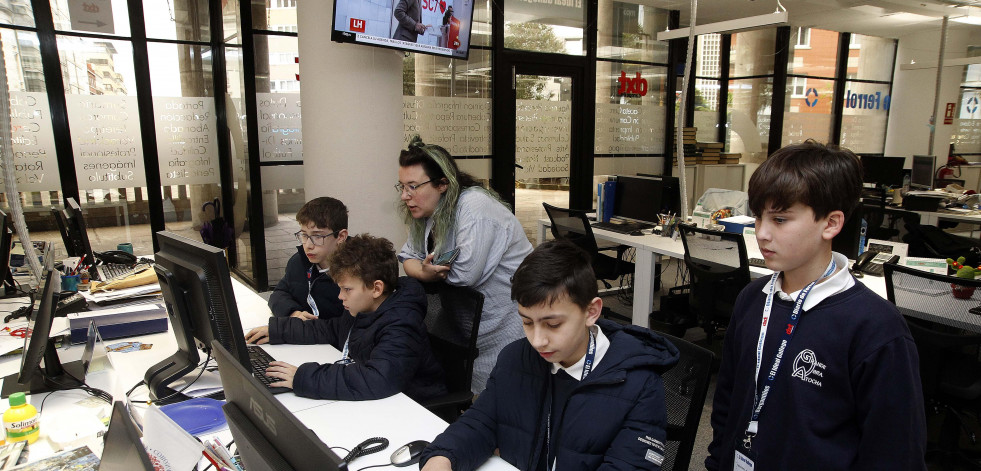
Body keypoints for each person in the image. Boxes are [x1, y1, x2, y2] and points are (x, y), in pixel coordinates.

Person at [705, 140, 927, 470]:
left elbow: (896, 452)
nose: (762, 233)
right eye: (758, 217)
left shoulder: (875, 327)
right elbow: (727, 403)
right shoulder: (752, 299)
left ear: (831, 223)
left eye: (780, 220)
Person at [419, 240, 679, 471]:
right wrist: (442, 458)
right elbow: (482, 422)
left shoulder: (639, 383)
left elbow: (630, 464)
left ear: (591, 312)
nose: (537, 340)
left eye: (553, 325)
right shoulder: (514, 359)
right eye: (527, 322)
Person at [397, 135, 532, 393]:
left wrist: (425, 271)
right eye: (402, 187)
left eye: (413, 186)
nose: (405, 196)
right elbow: (407, 258)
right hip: (467, 327)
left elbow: (464, 274)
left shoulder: (474, 206)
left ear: (442, 184)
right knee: (471, 398)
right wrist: (426, 273)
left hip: (507, 324)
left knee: (501, 397)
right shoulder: (427, 213)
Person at [245, 234, 446, 402]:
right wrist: (278, 330)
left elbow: (377, 379)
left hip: (411, 408)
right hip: (378, 402)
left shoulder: (401, 324)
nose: (340, 296)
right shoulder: (365, 308)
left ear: (376, 288)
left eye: (347, 289)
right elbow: (331, 329)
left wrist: (303, 377)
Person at [268, 197, 347, 321]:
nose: (308, 245)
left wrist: (292, 330)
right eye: (304, 235)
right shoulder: (298, 262)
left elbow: (347, 326)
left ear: (341, 236)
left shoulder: (357, 271)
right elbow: (278, 294)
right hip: (309, 336)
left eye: (317, 236)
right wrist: (294, 313)